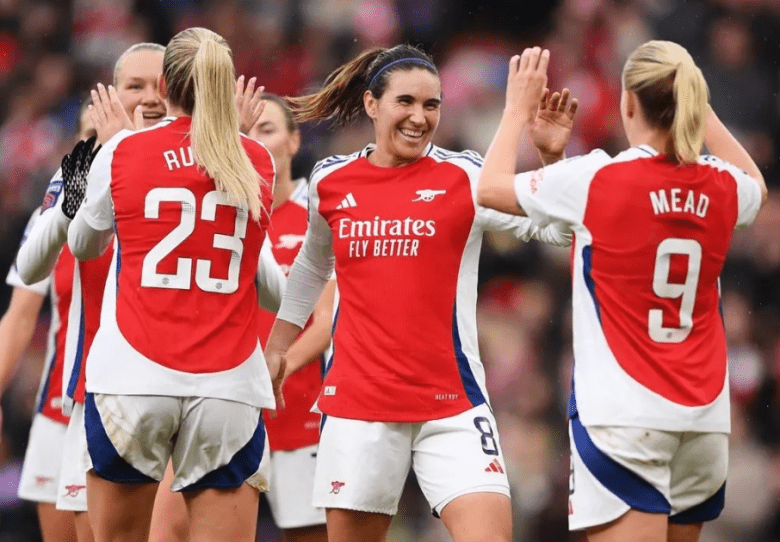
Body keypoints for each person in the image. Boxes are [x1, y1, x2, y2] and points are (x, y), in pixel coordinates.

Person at [263, 44, 572, 542]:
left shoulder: (466, 176)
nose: (419, 117)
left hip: (452, 405)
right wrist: (278, 346)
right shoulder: (332, 180)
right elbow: (312, 267)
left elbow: (558, 232)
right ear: (371, 104)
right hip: (358, 407)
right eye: (405, 101)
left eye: (431, 105)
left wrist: (552, 157)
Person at [476, 43, 767, 542]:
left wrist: (516, 110)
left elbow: (489, 188)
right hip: (703, 421)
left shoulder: (597, 176)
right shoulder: (721, 184)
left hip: (625, 419)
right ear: (691, 100)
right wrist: (699, 106)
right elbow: (756, 186)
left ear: (628, 102)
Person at [67, 27, 276, 542]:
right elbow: (271, 287)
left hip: (133, 376)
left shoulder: (123, 151)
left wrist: (106, 154)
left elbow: (83, 244)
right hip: (229, 384)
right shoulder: (257, 159)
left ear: (164, 86)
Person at [0, 102, 96, 542]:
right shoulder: (52, 213)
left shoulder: (152, 211)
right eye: (90, 137)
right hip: (57, 407)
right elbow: (19, 316)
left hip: (126, 408)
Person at [248, 93, 334, 542]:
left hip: (301, 412)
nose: (256, 141)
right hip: (234, 410)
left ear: (294, 141)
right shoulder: (225, 211)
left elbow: (326, 321)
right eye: (246, 132)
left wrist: (274, 371)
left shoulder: (317, 214)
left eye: (267, 129)